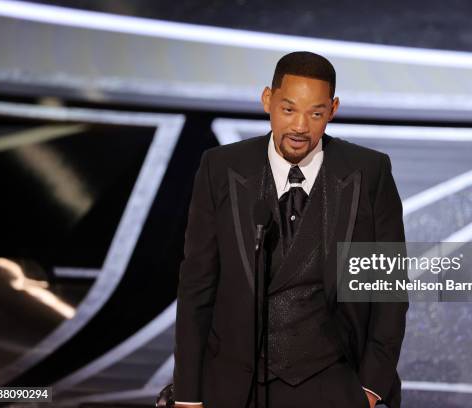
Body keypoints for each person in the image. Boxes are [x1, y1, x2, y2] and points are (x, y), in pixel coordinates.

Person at [173, 51, 408, 408]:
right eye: (288, 109)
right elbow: (196, 286)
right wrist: (188, 396)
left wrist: (370, 389)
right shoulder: (220, 168)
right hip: (234, 386)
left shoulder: (368, 172)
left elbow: (388, 286)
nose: (300, 126)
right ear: (267, 99)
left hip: (332, 384)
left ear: (333, 110)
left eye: (316, 113)